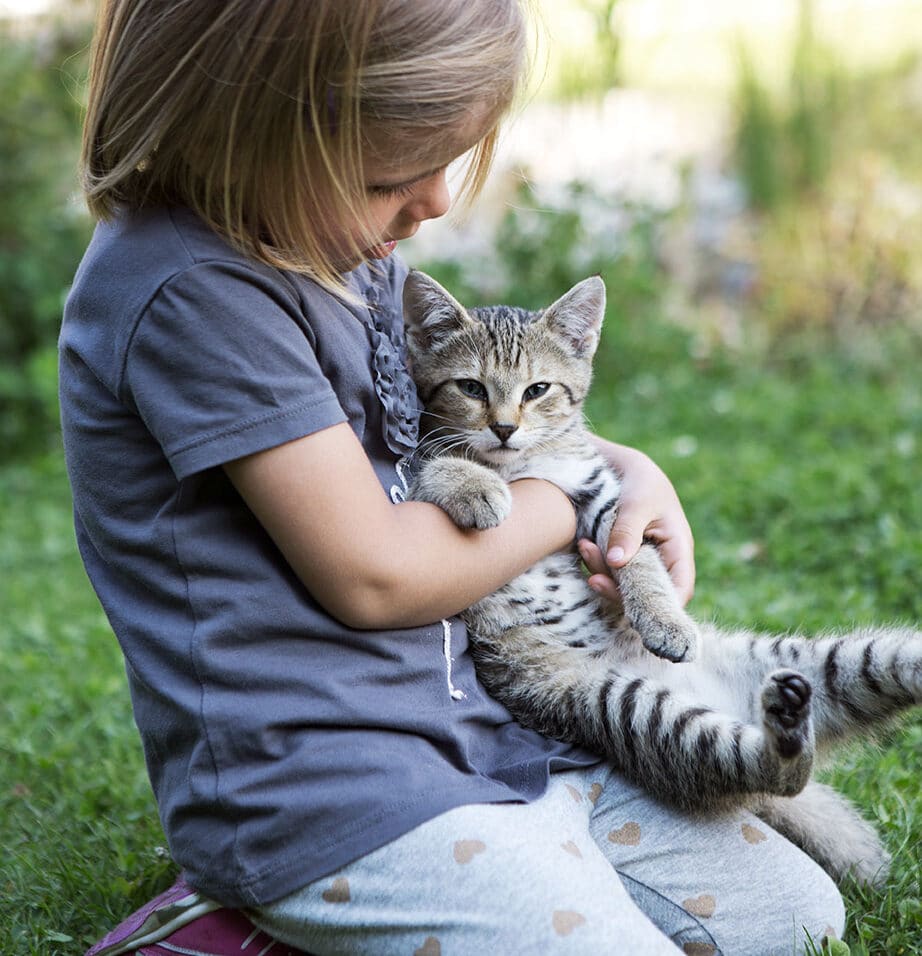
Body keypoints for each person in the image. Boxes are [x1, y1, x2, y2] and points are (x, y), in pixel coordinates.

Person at [64, 1, 844, 954]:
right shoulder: (194, 293)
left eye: (450, 160)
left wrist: (626, 471)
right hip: (332, 796)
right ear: (246, 130)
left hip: (489, 744)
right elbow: (377, 574)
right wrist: (566, 501)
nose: (436, 202)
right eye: (393, 174)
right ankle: (232, 927)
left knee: (799, 922)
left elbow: (469, 435)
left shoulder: (349, 254)